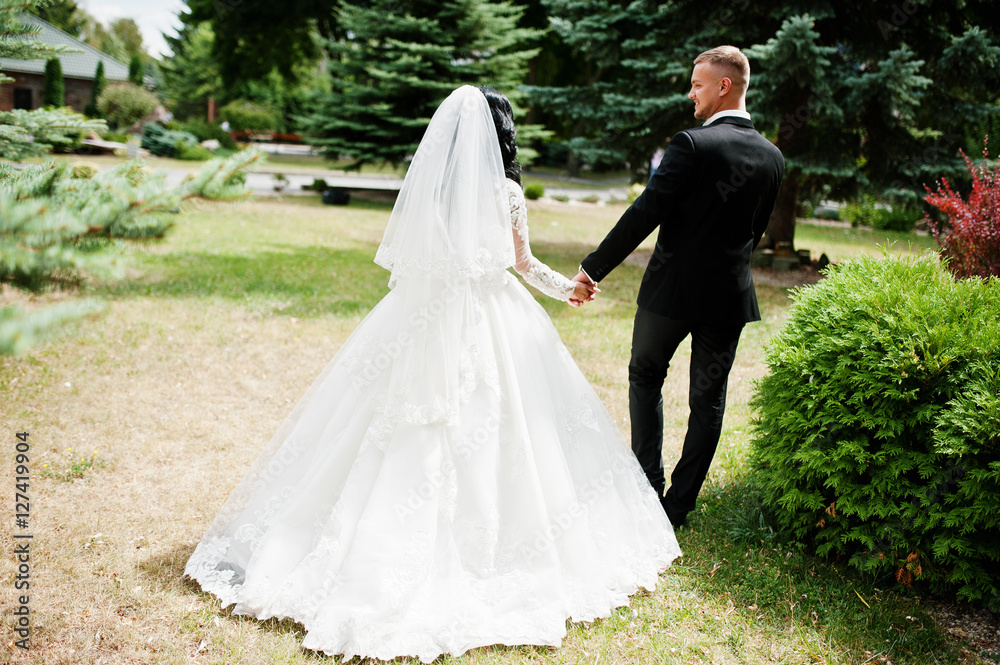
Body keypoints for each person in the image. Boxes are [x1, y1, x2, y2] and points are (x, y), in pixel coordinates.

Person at [185, 85, 681, 663]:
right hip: (495, 316)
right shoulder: (507, 190)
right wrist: (568, 288)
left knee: (384, 424)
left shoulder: (434, 190)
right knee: (512, 427)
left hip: (423, 318)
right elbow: (521, 263)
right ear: (504, 135)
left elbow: (415, 260)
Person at [572, 46, 785, 528]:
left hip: (670, 292)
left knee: (646, 376)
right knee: (708, 400)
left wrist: (593, 269)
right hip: (729, 297)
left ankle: (647, 486)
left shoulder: (692, 144)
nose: (691, 93)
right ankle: (678, 507)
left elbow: (646, 212)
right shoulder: (773, 157)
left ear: (723, 86)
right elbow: (758, 231)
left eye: (697, 85)